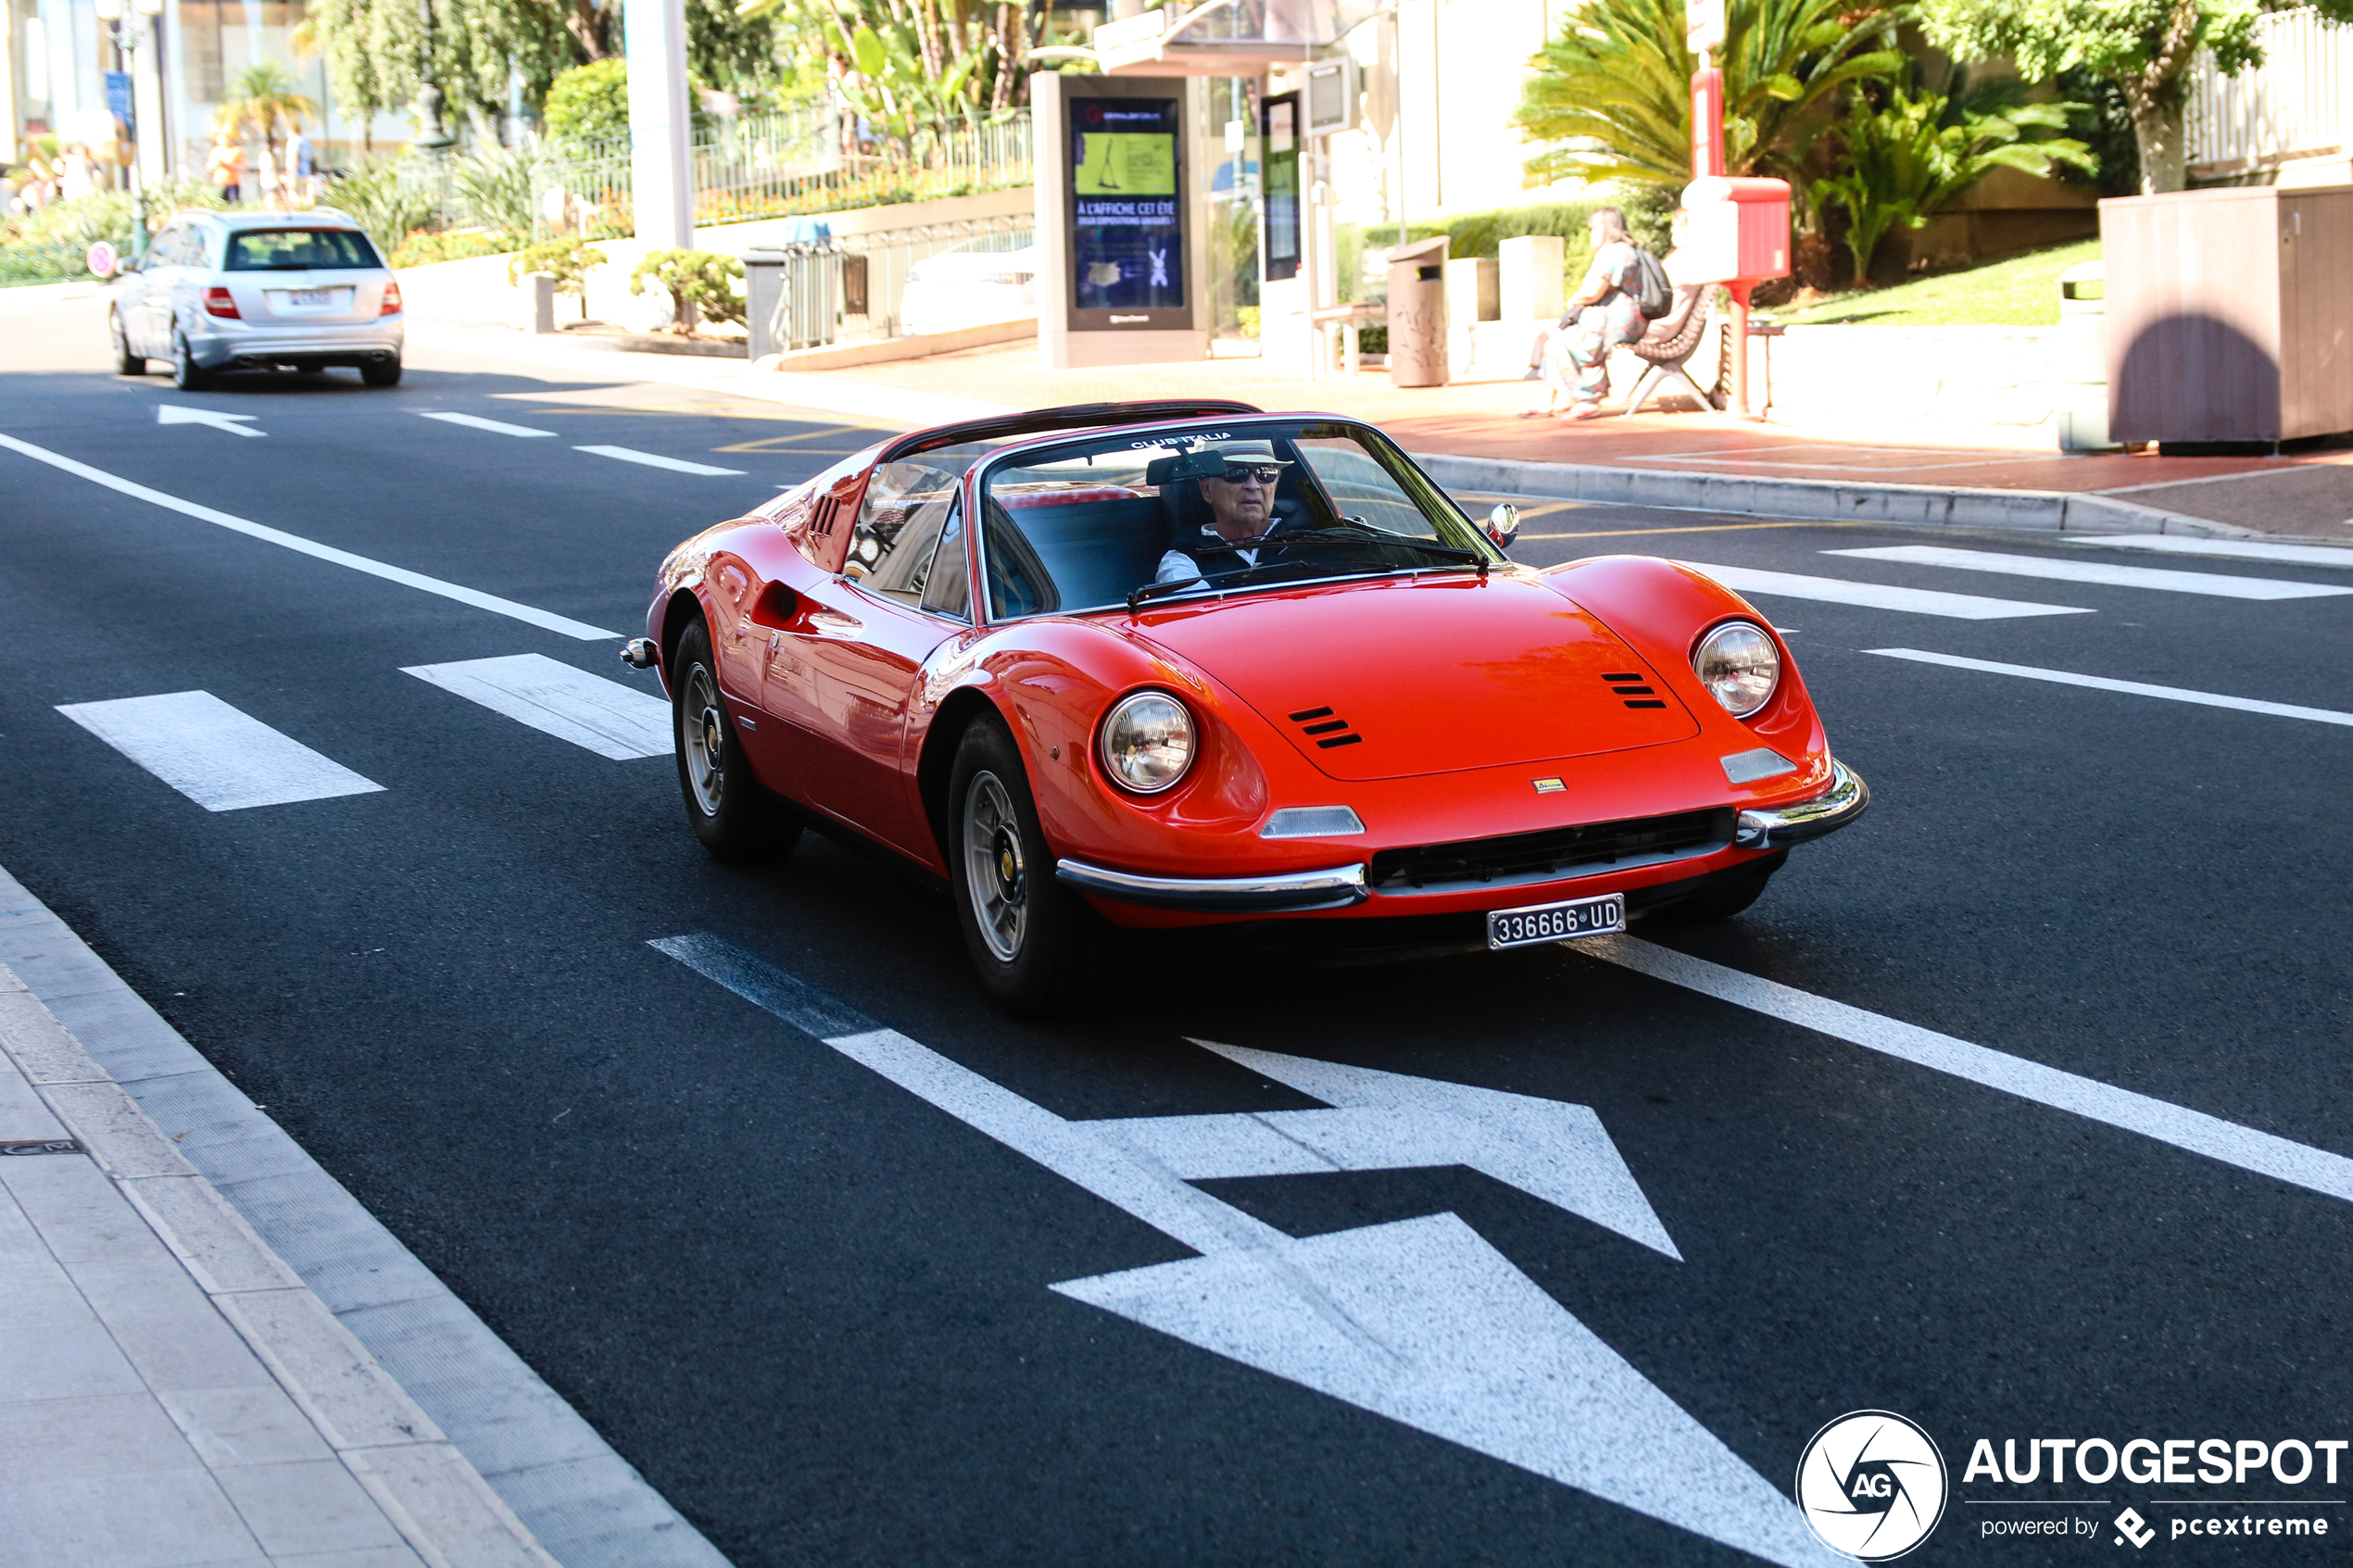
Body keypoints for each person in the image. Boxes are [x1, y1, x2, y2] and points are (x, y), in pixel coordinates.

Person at [1521, 207, 1650, 421]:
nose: (1590, 233)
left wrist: (1575, 300)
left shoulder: (1611, 252)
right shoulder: (1627, 249)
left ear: (1604, 228)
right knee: (1562, 342)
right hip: (1623, 320)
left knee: (1566, 344)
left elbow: (1593, 291)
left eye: (1592, 228)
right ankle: (1552, 396)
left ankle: (1586, 398)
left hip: (1614, 322)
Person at [1155, 440, 1298, 585]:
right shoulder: (1183, 561)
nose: (1253, 485)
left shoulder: (1309, 539)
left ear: (1275, 486)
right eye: (1236, 473)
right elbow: (1203, 607)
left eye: (1266, 473)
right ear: (1206, 489)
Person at [207, 132, 245, 205]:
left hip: (232, 183)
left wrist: (226, 165)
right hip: (218, 184)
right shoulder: (215, 150)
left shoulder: (237, 150)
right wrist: (217, 164)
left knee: (234, 205)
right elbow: (209, 166)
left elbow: (242, 166)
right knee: (217, 204)